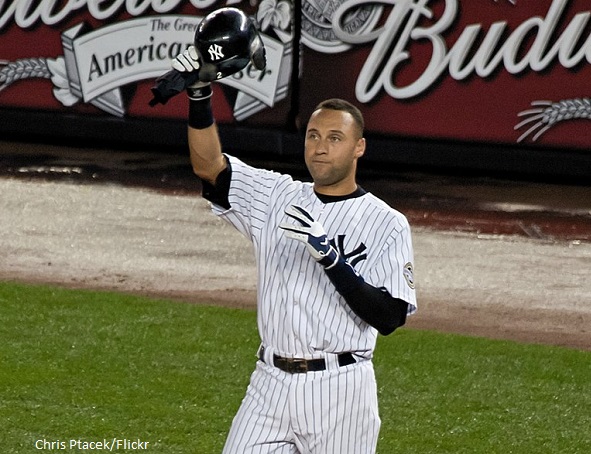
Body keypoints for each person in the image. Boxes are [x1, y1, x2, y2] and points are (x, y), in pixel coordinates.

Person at [173, 46, 417, 454]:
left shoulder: (387, 222)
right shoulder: (275, 194)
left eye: (335, 138)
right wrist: (199, 97)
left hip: (341, 391)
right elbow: (209, 168)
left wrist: (334, 262)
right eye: (314, 136)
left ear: (358, 148)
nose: (320, 147)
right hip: (269, 382)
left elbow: (390, 316)